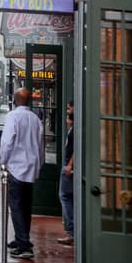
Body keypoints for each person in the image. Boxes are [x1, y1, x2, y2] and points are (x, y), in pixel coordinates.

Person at [0, 87, 44, 259]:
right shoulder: (36, 119)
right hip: (31, 168)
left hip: (16, 168)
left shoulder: (13, 117)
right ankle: (21, 239)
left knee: (16, 207)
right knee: (26, 207)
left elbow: (7, 142)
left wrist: (3, 162)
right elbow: (40, 146)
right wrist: (39, 165)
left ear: (15, 100)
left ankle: (24, 245)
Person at [59, 103, 75, 246]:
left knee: (65, 196)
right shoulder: (71, 130)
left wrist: (69, 165)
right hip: (68, 166)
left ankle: (72, 231)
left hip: (69, 168)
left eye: (69, 109)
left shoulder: (75, 131)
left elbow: (76, 149)